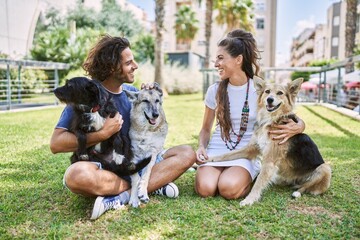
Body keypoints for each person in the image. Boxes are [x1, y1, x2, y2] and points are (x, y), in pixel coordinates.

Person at [50, 34, 196, 220]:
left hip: (134, 162)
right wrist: (102, 134)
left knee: (187, 154)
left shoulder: (134, 93)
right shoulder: (87, 95)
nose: (135, 66)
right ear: (112, 67)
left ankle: (125, 195)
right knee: (76, 176)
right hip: (106, 169)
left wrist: (153, 95)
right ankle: (153, 184)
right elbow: (56, 144)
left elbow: (156, 124)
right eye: (129, 63)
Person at [194, 29, 305, 200]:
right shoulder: (214, 90)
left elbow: (286, 113)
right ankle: (221, 171)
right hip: (217, 149)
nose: (215, 63)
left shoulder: (262, 90)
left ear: (238, 60)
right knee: (205, 189)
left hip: (247, 152)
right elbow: (205, 129)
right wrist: (202, 146)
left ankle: (249, 172)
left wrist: (300, 126)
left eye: (220, 58)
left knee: (228, 189)